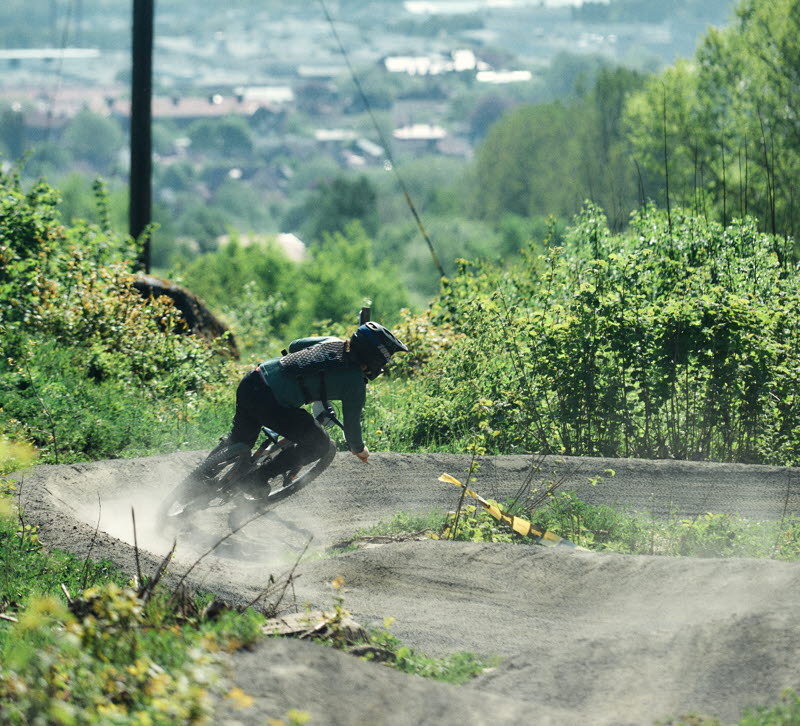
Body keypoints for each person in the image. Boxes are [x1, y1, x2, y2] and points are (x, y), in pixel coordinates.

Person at [215, 321, 408, 491]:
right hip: (271, 404)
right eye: (385, 360)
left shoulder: (332, 342)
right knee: (319, 445)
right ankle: (257, 480)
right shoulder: (355, 382)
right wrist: (359, 449)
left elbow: (294, 346)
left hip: (252, 380)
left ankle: (197, 481)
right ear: (374, 358)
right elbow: (352, 425)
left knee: (240, 441)